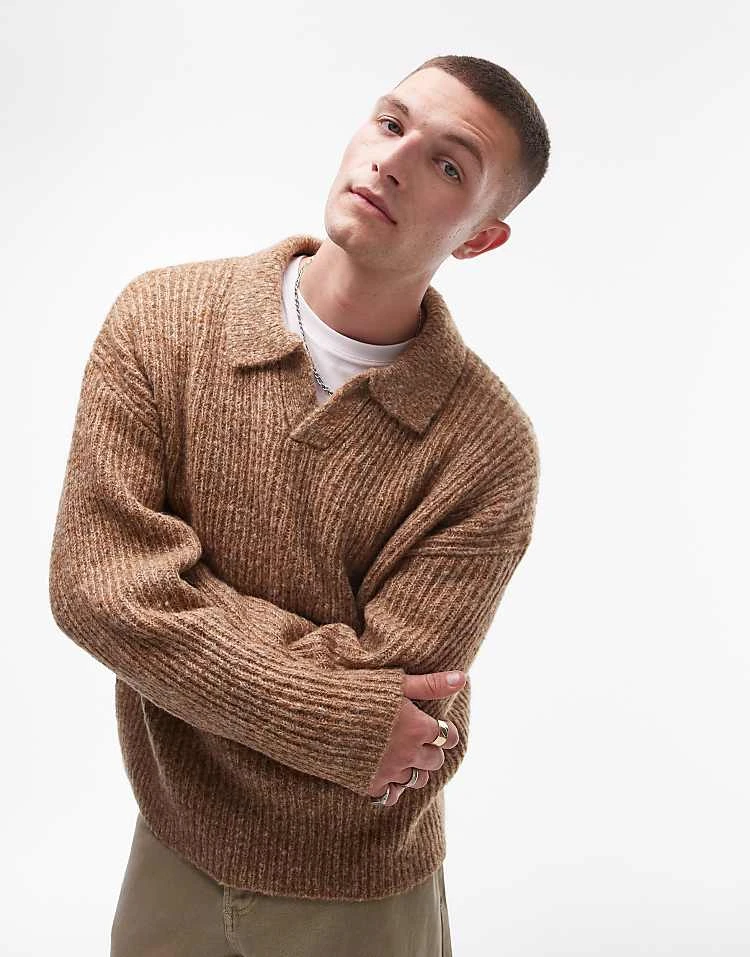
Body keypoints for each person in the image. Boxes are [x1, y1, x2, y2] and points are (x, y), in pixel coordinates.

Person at [48, 54, 550, 956]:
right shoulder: (163, 320)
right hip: (171, 851)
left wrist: (183, 615)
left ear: (479, 239)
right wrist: (342, 720)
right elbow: (97, 591)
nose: (392, 162)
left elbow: (404, 706)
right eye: (391, 123)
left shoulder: (489, 448)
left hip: (363, 890)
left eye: (447, 164)